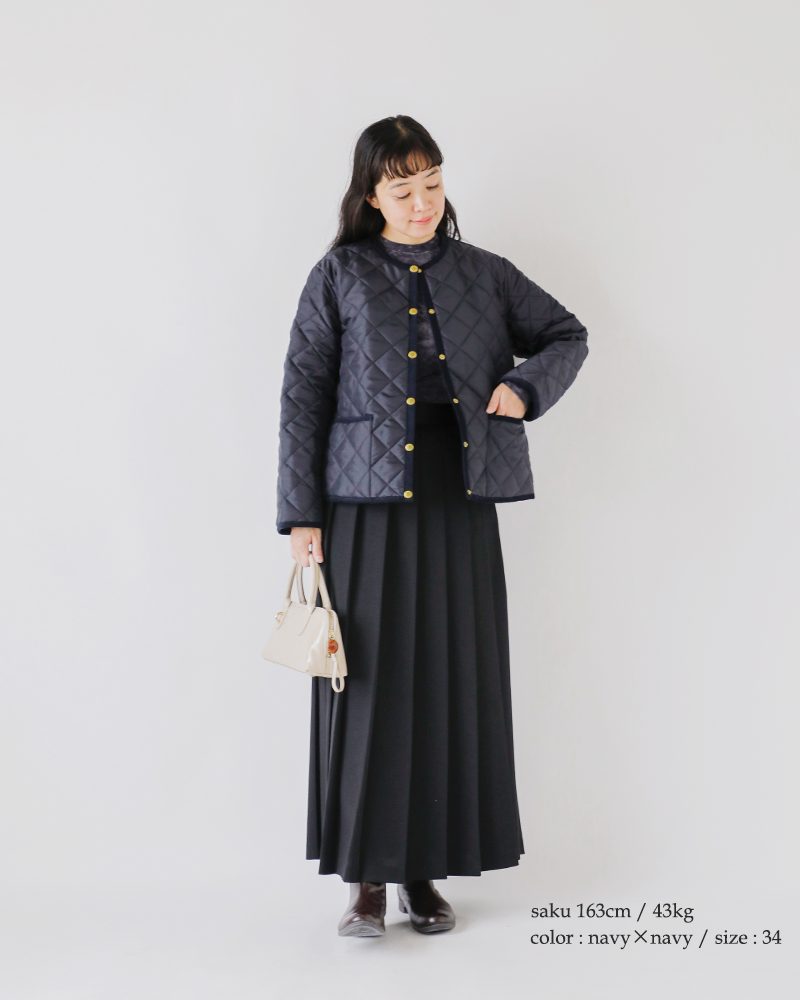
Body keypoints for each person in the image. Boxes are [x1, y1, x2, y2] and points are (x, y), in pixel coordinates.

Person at [276, 115, 588, 937]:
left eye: (433, 185)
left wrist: (524, 388)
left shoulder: (484, 272)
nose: (422, 204)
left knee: (450, 679)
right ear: (371, 196)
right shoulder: (339, 274)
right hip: (362, 505)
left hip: (459, 495)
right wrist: (302, 517)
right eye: (403, 189)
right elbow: (303, 396)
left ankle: (424, 875)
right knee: (369, 684)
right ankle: (366, 882)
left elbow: (567, 334)